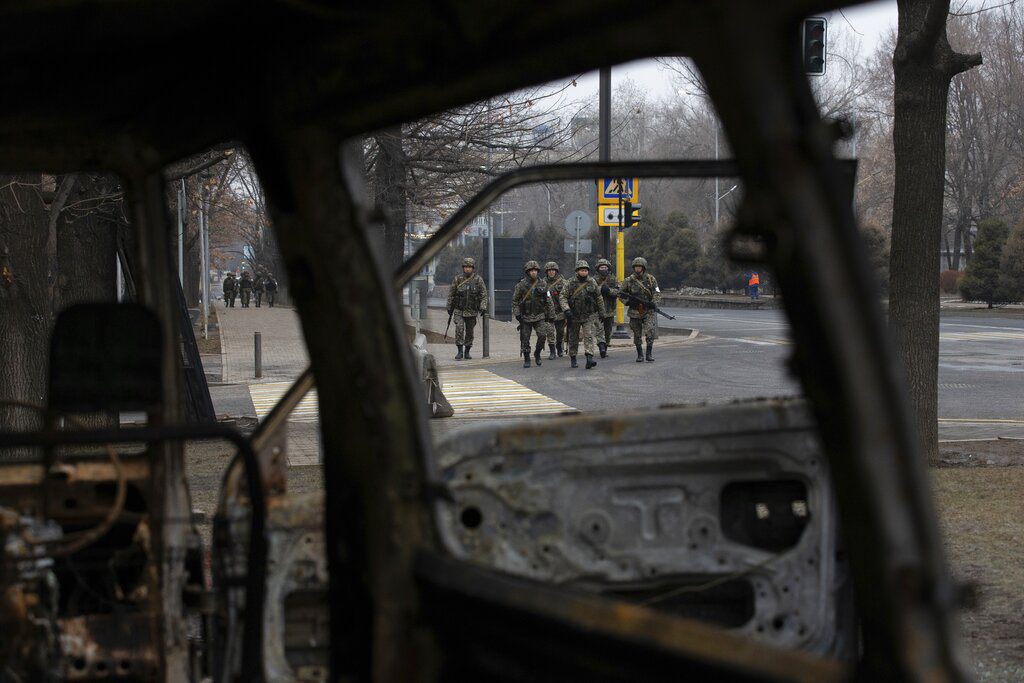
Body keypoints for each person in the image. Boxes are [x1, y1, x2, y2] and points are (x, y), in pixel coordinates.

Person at [560, 260, 605, 369]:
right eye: (582, 270)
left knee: (588, 336)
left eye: (585, 270)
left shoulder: (591, 282)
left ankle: (589, 358)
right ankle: (573, 357)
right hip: (574, 316)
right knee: (573, 338)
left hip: (588, 315)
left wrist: (601, 312)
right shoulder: (570, 282)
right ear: (577, 271)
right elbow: (563, 297)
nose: (584, 272)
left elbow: (598, 297)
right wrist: (567, 310)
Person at [511, 260, 555, 368]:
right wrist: (517, 314)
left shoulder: (543, 284)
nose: (534, 272)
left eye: (535, 270)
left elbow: (548, 300)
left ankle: (537, 353)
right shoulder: (521, 285)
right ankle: (527, 357)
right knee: (525, 339)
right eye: (531, 270)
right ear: (527, 272)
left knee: (542, 335)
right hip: (525, 317)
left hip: (539, 315)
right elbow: (515, 301)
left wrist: (551, 315)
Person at [617, 256, 661, 362]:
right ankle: (640, 354)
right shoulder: (629, 280)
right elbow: (621, 294)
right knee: (637, 334)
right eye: (636, 267)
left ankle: (649, 354)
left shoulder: (651, 279)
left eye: (639, 267)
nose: (637, 269)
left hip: (648, 311)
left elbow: (657, 292)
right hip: (634, 311)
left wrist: (654, 303)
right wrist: (628, 301)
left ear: (643, 267)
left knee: (650, 332)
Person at [446, 257, 488, 360]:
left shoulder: (478, 280)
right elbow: (451, 294)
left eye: (470, 267)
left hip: (472, 311)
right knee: (459, 329)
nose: (468, 269)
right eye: (466, 267)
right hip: (459, 310)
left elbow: (483, 295)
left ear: (473, 268)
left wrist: (483, 306)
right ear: (463, 268)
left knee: (470, 332)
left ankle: (467, 351)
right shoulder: (458, 279)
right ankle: (459, 351)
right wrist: (449, 306)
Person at [593, 257, 618, 358]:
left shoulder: (613, 279)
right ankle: (601, 347)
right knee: (599, 329)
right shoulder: (593, 280)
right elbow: (590, 291)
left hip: (609, 310)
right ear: (598, 269)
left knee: (608, 331)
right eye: (601, 267)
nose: (603, 269)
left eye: (605, 267)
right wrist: (600, 289)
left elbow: (619, 292)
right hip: (597, 310)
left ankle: (605, 346)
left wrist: (609, 291)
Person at [543, 261, 567, 360]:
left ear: (556, 271)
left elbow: (567, 296)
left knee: (560, 332)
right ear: (547, 272)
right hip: (548, 313)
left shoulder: (563, 282)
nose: (551, 272)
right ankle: (552, 351)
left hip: (560, 312)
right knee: (550, 332)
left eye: (553, 270)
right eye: (549, 270)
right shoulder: (542, 283)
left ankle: (559, 347)